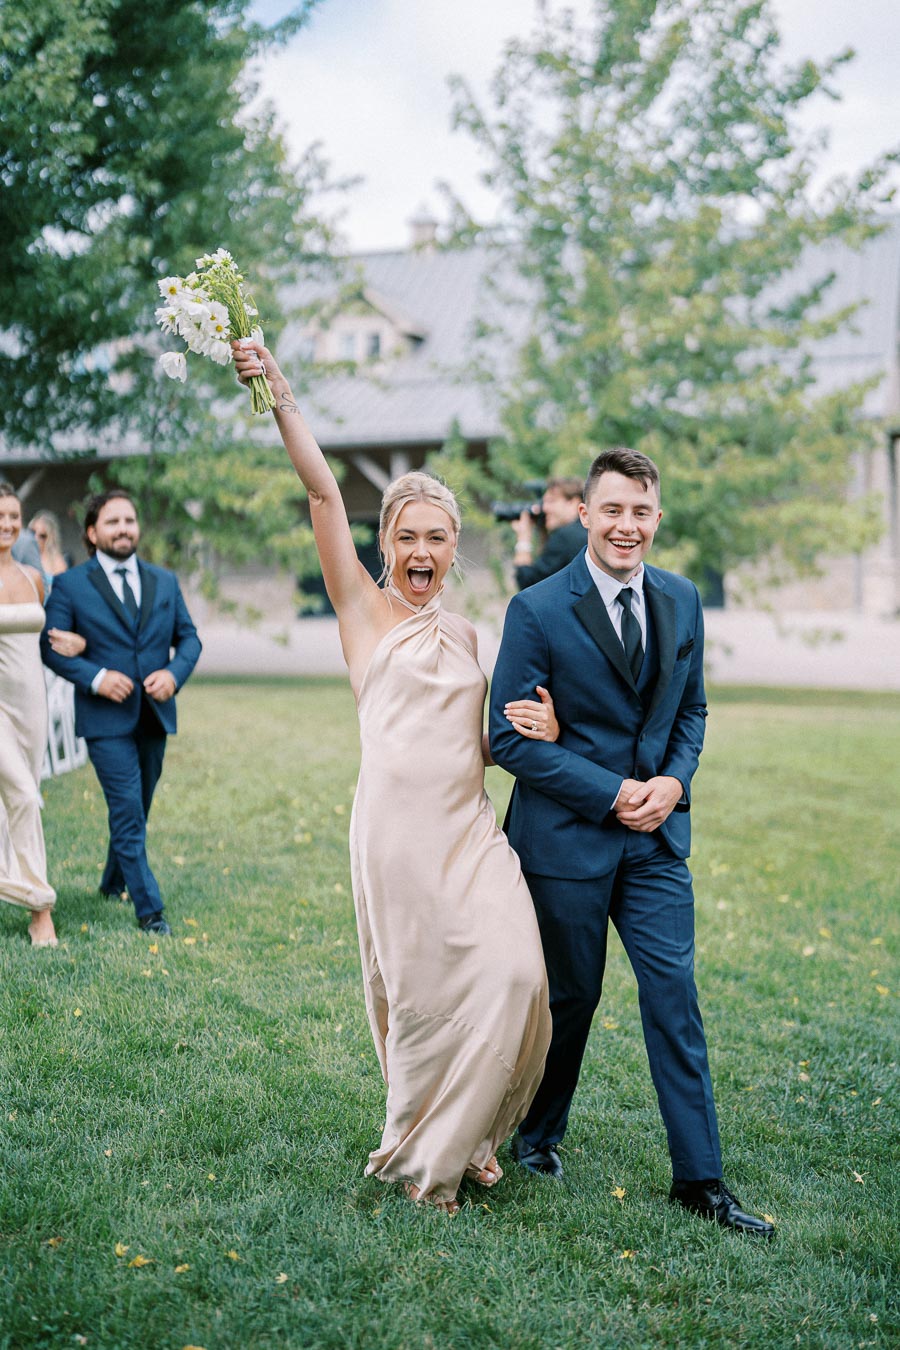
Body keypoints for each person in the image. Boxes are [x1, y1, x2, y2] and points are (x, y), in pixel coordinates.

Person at [233, 337, 553, 1214]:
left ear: (455, 549)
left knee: (518, 975)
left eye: (436, 538)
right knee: (419, 1001)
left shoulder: (470, 636)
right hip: (396, 839)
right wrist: (278, 392)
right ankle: (431, 1163)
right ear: (387, 544)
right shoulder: (363, 614)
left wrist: (542, 725)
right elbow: (322, 490)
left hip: (471, 834)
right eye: (406, 536)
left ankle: (476, 1129)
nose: (421, 549)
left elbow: (490, 743)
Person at [488, 448, 774, 1238]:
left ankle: (700, 1179)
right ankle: (537, 1137)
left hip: (656, 844)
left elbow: (693, 714)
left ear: (657, 517)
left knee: (674, 1000)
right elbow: (507, 741)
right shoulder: (538, 610)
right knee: (571, 1000)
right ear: (582, 512)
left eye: (642, 512)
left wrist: (674, 785)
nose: (627, 526)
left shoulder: (682, 600)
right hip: (566, 843)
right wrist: (613, 791)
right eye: (612, 509)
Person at [40, 490, 201, 936]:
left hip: (155, 714)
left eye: (129, 520)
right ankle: (150, 911)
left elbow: (189, 639)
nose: (123, 528)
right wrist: (96, 677)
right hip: (104, 720)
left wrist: (172, 674)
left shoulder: (164, 581)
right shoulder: (70, 585)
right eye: (112, 522)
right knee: (128, 807)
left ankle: (113, 881)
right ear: (92, 533)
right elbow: (50, 648)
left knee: (139, 806)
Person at [0, 483, 63, 946]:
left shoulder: (34, 577)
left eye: (13, 517)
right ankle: (40, 906)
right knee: (22, 794)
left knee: (25, 793)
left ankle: (23, 890)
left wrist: (76, 644)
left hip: (31, 702)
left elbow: (47, 638)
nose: (7, 525)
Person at [512, 476, 586, 589]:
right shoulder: (588, 532)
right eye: (544, 502)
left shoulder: (565, 537)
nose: (544, 508)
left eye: (551, 501)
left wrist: (523, 540)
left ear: (573, 502)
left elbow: (529, 585)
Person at [28, 511, 70, 578]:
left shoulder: (57, 562)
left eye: (42, 536)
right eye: (32, 532)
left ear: (51, 538)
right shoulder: (20, 553)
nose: (35, 538)